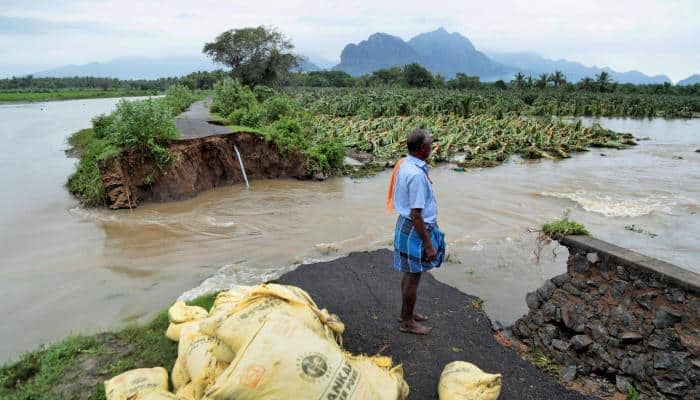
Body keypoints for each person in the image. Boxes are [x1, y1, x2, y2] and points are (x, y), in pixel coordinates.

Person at [387, 128, 446, 335]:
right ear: (422, 148)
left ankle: (407, 314)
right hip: (415, 227)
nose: (432, 145)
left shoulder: (405, 163)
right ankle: (407, 322)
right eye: (430, 143)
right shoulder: (417, 176)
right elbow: (417, 214)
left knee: (409, 273)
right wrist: (428, 243)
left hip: (406, 224)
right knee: (413, 276)